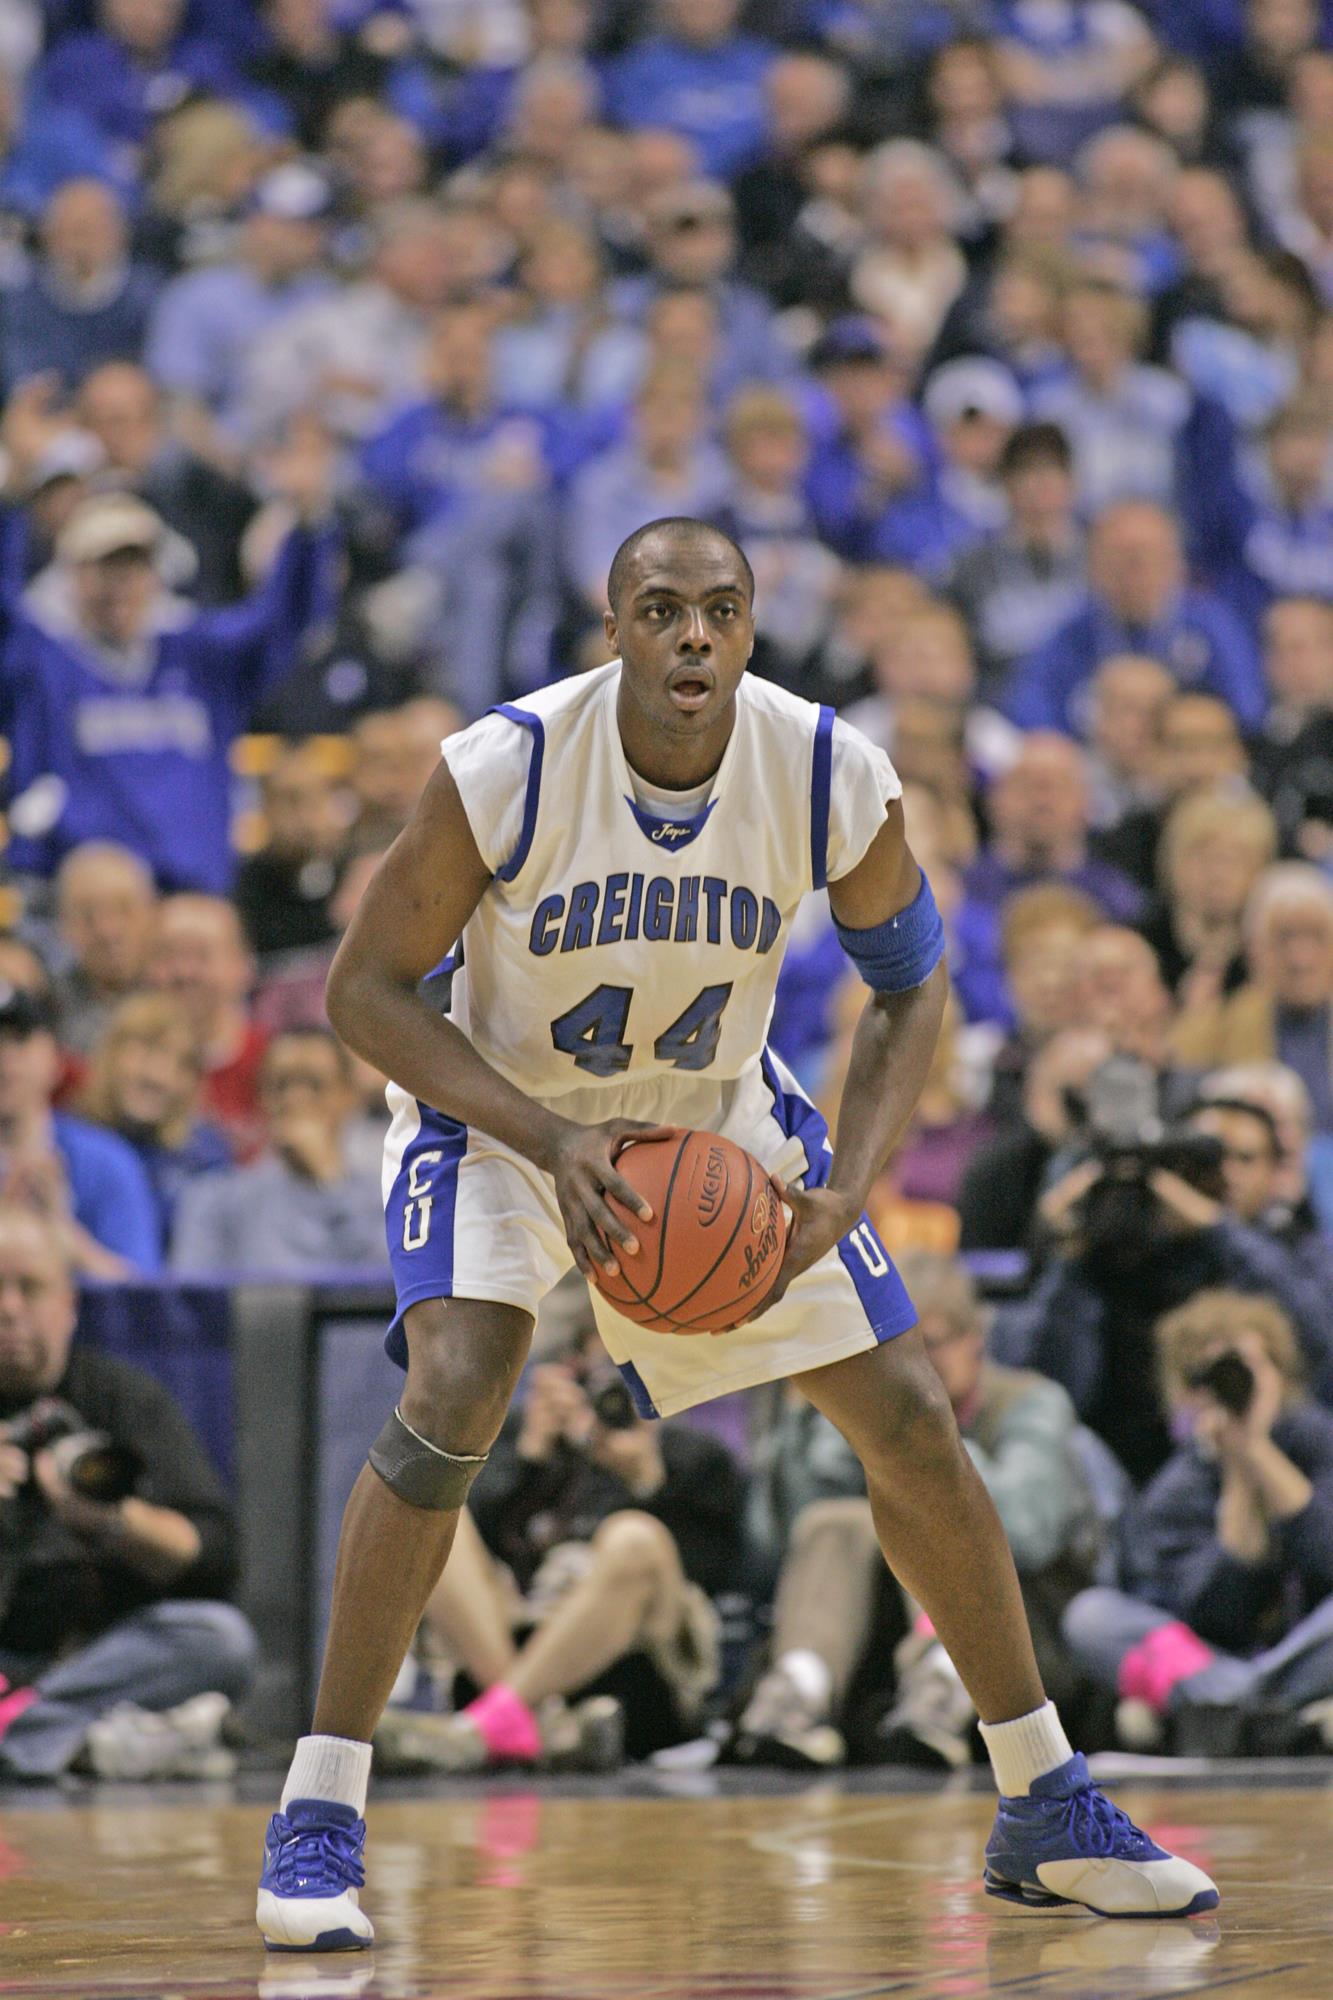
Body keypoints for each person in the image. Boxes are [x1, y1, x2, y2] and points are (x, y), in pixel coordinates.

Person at [256, 514, 1217, 1952]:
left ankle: (1044, 1800)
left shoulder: (829, 767)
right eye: (660, 611)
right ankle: (320, 1815)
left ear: (752, 629)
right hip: (503, 1114)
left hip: (711, 1121)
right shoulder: (507, 764)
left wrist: (854, 1186)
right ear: (614, 629)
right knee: (456, 1379)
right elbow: (366, 994)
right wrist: (554, 1140)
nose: (692, 635)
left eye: (720, 610)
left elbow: (912, 985)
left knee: (903, 1412)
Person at [735, 1255, 1099, 1772]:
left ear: (977, 1336)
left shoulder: (1032, 1402)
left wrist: (919, 1447)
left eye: (932, 1342)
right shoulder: (871, 1413)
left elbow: (1029, 1530)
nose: (916, 1364)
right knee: (836, 1521)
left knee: (921, 1508)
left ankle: (942, 1684)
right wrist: (809, 1431)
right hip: (877, 1644)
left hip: (1022, 1634)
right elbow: (774, 1541)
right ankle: (800, 1689)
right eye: (893, 1349)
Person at [374, 1344, 748, 1772]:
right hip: (515, 1635)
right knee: (442, 1520)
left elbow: (711, 1573)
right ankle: (533, 1723)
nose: (604, 1401)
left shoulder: (693, 1455)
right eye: (589, 1379)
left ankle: (484, 1730)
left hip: (639, 1668)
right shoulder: (522, 1439)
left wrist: (646, 1482)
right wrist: (529, 1460)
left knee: (634, 1538)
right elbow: (477, 1558)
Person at [0, 443, 335, 895]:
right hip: (90, 903)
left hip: (197, 895)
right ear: (73, 576)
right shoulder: (44, 662)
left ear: (156, 574)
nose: (119, 583)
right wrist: (11, 502)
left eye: (134, 564)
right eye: (104, 566)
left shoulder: (198, 654)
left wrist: (309, 524)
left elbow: (283, 622)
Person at [0, 1206, 255, 1781]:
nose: (9, 1308)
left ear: (67, 1305)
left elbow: (217, 1556)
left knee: (219, 1639)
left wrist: (109, 1519)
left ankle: (25, 1732)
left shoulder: (123, 1397)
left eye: (30, 1288)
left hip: (99, 1659)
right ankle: (76, 1744)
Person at [1063, 1289, 1333, 1756]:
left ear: (1278, 1372)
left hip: (1308, 1651)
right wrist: (1237, 1467)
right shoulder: (1182, 1483)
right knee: (1089, 1615)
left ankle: (1236, 1712)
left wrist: (1259, 1453)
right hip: (1215, 1662)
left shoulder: (1316, 1441)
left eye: (1246, 1368)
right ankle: (1265, 1712)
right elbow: (1209, 1611)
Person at [1005, 500, 1265, 735]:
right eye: (1118, 558)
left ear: (1175, 563)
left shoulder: (1212, 626)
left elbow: (1246, 709)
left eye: (1144, 558)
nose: (1132, 574)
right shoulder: (1072, 633)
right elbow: (1029, 712)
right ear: (1093, 565)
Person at [169, 1026, 389, 1276]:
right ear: (261, 1097)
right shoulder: (214, 1201)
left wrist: (330, 1183)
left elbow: (393, 1289)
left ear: (349, 1097)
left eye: (314, 1085)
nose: (294, 1098)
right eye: (281, 1085)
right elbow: (192, 1301)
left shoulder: (389, 1200)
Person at [0, 980, 159, 1277]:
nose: (3, 1057)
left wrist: (62, 1235)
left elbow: (143, 1298)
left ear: (56, 1058)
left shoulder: (106, 1161)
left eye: (18, 1039)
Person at [1173, 863, 1333, 1128]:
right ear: (1255, 949)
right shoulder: (1213, 1030)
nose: (1301, 960)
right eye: (1285, 938)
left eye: (1316, 937)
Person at [77, 992, 231, 1256]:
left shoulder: (206, 1155)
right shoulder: (70, 1143)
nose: (158, 1076)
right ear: (111, 1056)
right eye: (146, 1052)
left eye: (181, 1064)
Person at [146, 894, 267, 1160]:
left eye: (202, 956)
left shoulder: (270, 1062)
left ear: (242, 967)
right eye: (168, 955)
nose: (184, 971)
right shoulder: (125, 1062)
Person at [53, 840, 158, 1056]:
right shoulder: (48, 1007)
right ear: (63, 927)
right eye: (87, 916)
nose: (107, 931)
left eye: (124, 909)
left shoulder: (181, 997)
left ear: (153, 914)